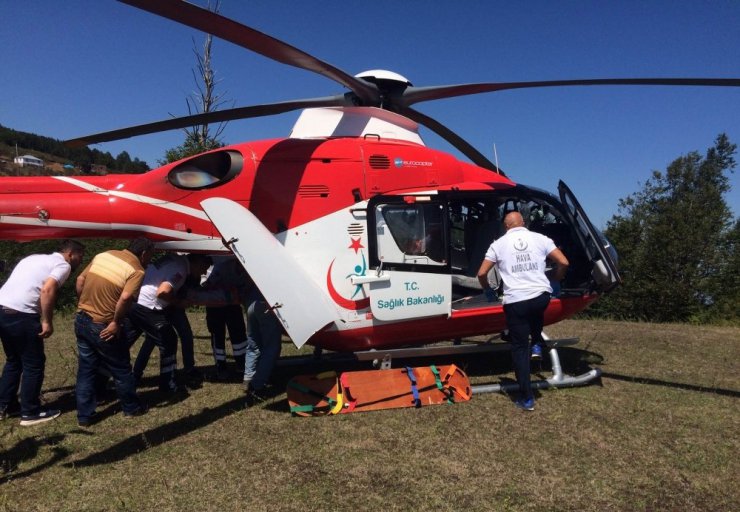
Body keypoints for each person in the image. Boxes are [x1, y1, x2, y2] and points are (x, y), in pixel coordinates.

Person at [477, 211, 569, 411]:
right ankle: (536, 343)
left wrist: (488, 291)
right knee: (535, 313)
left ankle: (527, 398)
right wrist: (556, 278)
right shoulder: (541, 239)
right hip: (540, 296)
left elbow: (482, 272)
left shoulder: (498, 244)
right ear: (523, 223)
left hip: (516, 301)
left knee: (519, 347)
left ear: (506, 226)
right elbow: (563, 262)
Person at [0, 239, 85, 426]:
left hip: (2, 308)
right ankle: (30, 412)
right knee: (34, 363)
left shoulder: (33, 258)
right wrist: (47, 320)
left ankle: (4, 406)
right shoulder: (63, 265)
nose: (81, 260)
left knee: (14, 360)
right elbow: (48, 289)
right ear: (71, 253)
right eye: (81, 255)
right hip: (21, 314)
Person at [74, 237, 154, 426]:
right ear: (143, 253)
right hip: (104, 324)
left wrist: (83, 303)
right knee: (121, 368)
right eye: (150, 255)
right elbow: (126, 298)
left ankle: (84, 416)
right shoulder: (137, 270)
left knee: (86, 369)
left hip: (81, 318)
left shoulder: (104, 255)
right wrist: (116, 322)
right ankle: (131, 408)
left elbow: (80, 279)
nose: (150, 259)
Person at [129, 253, 212, 393]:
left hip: (146, 302)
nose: (204, 272)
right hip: (156, 305)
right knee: (163, 340)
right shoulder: (180, 269)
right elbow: (163, 292)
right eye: (204, 268)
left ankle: (138, 375)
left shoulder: (176, 260)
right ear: (197, 262)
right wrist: (179, 302)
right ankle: (163, 381)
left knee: (180, 335)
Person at [202, 256, 250, 381]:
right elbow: (207, 286)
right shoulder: (222, 267)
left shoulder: (248, 271)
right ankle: (221, 366)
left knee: (239, 334)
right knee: (217, 336)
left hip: (233, 305)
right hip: (215, 305)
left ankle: (241, 364)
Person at [243, 285, 283, 407]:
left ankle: (248, 379)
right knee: (272, 347)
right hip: (266, 304)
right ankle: (257, 386)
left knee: (253, 344)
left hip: (251, 301)